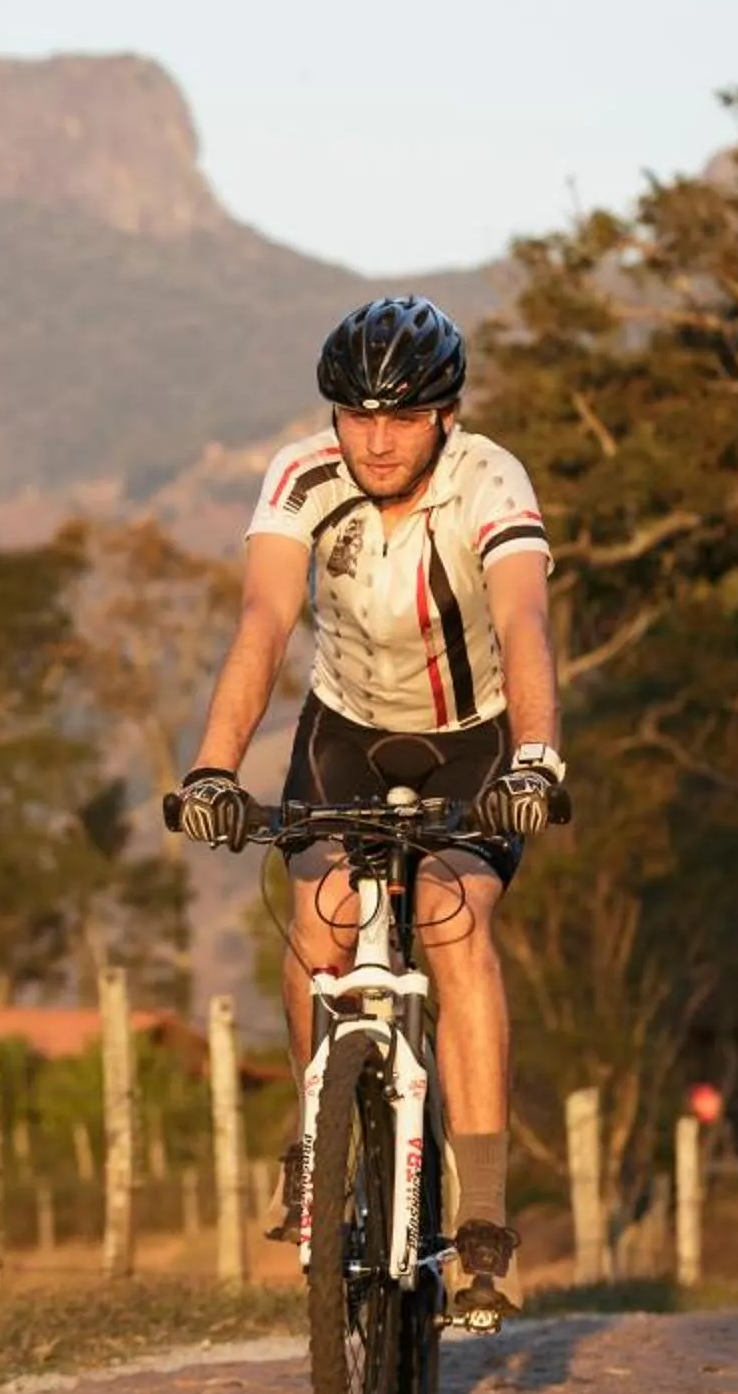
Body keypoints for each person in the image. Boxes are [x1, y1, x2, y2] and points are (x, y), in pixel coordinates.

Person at [172, 295, 563, 1331]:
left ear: (447, 412)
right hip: (345, 729)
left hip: (474, 737)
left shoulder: (490, 480)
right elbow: (264, 618)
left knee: (452, 917)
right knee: (322, 915)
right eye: (355, 415)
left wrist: (534, 756)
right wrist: (213, 767)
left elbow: (524, 619)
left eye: (401, 415)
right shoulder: (303, 475)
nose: (377, 438)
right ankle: (319, 1140)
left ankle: (480, 1220)